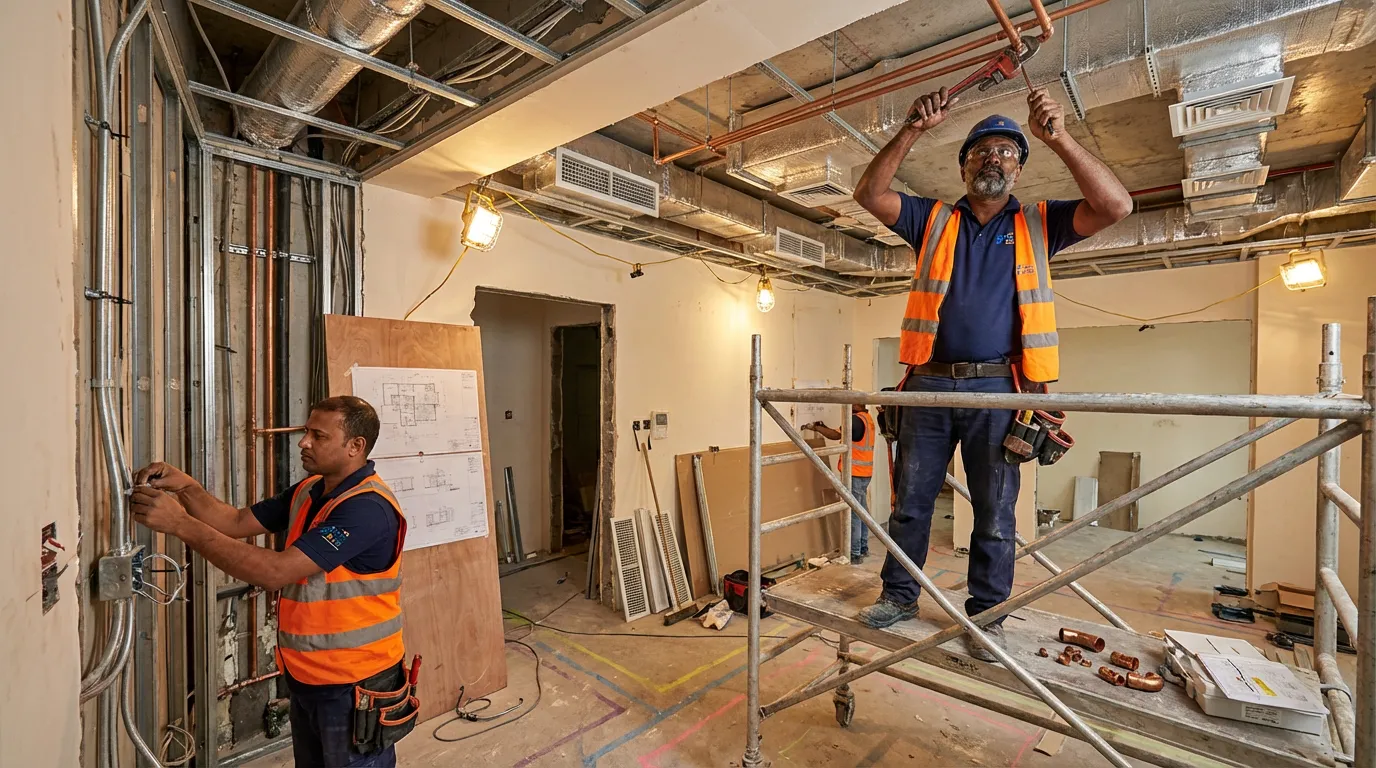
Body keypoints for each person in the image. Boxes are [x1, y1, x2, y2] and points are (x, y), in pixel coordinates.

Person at [849, 86, 1131, 661]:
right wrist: (911, 131)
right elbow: (869, 193)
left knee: (996, 513)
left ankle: (987, 616)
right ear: (963, 164)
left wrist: (1059, 137)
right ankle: (900, 597)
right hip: (927, 384)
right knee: (910, 506)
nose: (993, 159)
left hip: (1000, 388)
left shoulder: (1038, 224)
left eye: (1006, 151)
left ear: (1021, 167)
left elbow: (1116, 206)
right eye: (981, 151)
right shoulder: (931, 219)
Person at [130, 396, 414, 767]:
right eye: (306, 431)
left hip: (355, 685)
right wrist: (186, 488)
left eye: (318, 435)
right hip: (309, 679)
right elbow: (234, 521)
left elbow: (274, 571)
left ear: (355, 447)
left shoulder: (367, 509)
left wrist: (180, 524)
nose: (303, 442)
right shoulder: (310, 491)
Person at [805, 404, 878, 563]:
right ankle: (863, 547)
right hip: (864, 472)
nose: (848, 406)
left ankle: (854, 553)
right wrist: (823, 427)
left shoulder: (855, 421)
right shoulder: (867, 419)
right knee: (862, 510)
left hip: (855, 473)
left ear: (857, 404)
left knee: (853, 513)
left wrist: (816, 428)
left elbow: (834, 435)